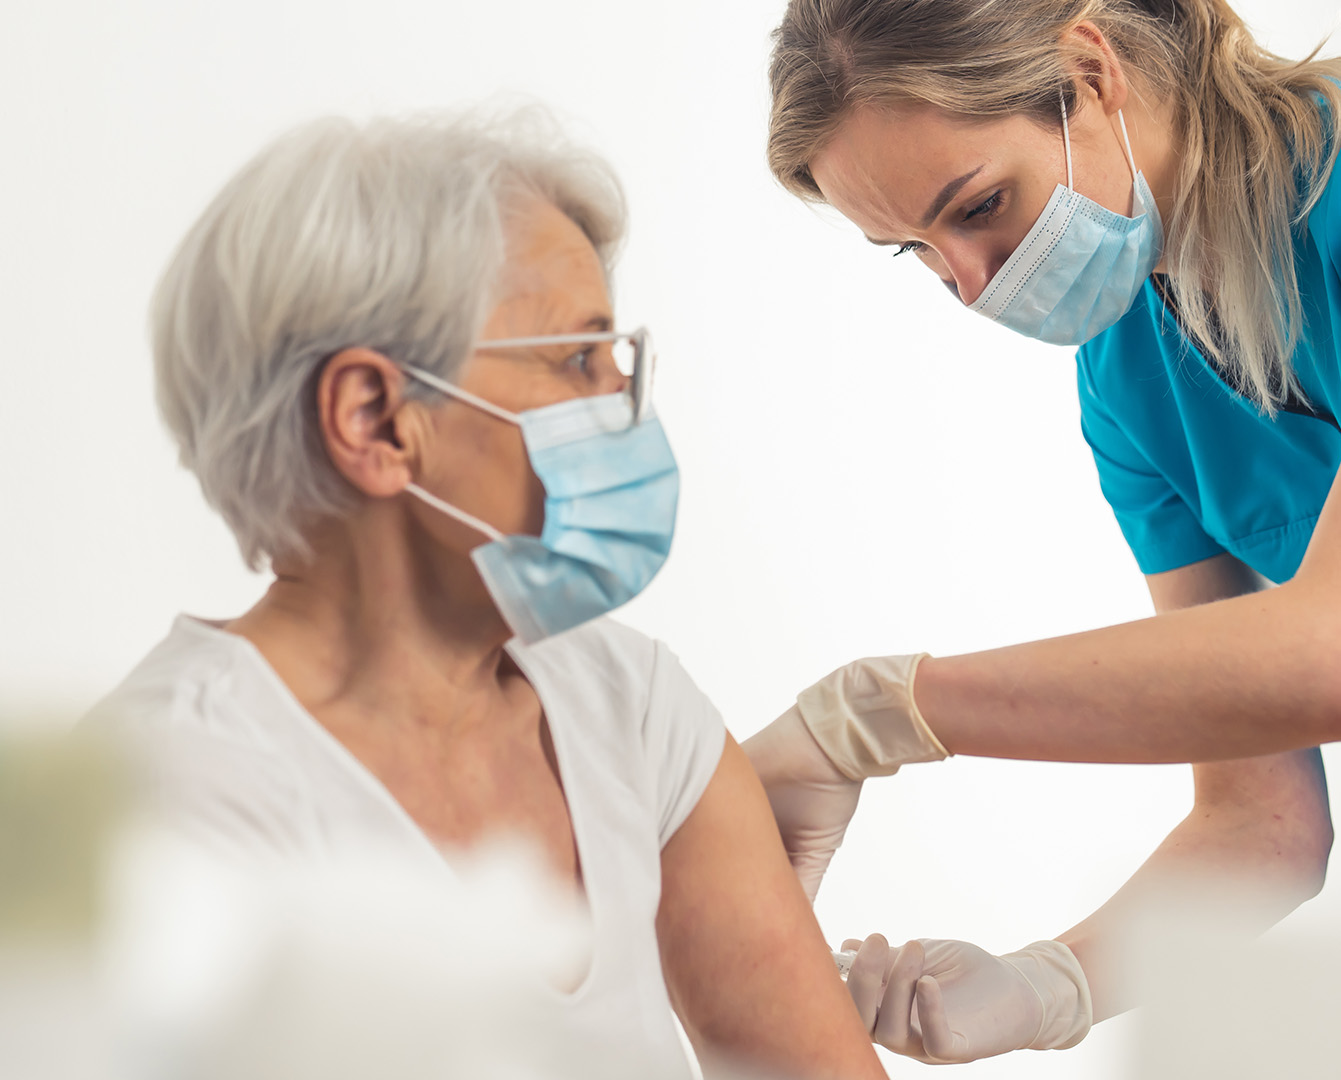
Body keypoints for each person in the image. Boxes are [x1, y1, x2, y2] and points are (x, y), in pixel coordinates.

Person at [82, 110, 886, 1080]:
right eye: (577, 359)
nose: (624, 413)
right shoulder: (162, 798)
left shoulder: (630, 707)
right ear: (375, 421)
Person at [744, 0, 1341, 1065]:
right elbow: (1264, 819)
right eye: (916, 253)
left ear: (1091, 68)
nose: (970, 286)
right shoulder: (1127, 380)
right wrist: (1047, 985)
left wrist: (875, 716)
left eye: (979, 205)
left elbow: (1326, 651)